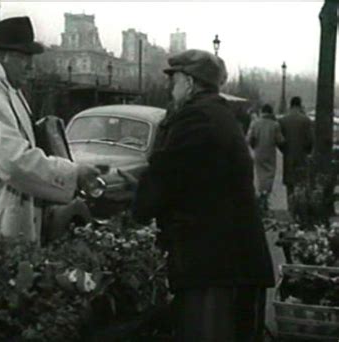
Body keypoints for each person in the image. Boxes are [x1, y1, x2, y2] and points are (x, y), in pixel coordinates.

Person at [132, 49, 274, 341]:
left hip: (214, 261)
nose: (171, 88)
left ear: (190, 81)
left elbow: (168, 174)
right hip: (227, 257)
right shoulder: (215, 113)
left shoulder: (196, 117)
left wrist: (136, 203)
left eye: (175, 80)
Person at [0, 17, 99, 245]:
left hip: (7, 221)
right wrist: (74, 174)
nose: (30, 65)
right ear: (0, 55)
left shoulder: (8, 91)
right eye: (23, 56)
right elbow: (15, 163)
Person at [278, 96, 314, 212]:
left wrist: (284, 150)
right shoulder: (306, 120)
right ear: (300, 105)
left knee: (290, 184)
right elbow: (310, 140)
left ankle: (290, 207)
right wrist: (307, 151)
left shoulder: (283, 120)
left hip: (288, 155)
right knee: (301, 182)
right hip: (302, 155)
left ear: (290, 105)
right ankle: (300, 208)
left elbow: (280, 140)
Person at [247, 104, 284, 197]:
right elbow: (280, 140)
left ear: (262, 111)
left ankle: (261, 192)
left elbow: (249, 138)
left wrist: (253, 146)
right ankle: (266, 192)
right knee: (270, 174)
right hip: (270, 152)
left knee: (260, 174)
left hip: (258, 152)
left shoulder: (255, 123)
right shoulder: (275, 125)